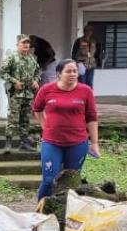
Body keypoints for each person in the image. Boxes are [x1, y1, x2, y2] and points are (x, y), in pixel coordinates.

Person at [32, 59, 101, 201]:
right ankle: (41, 212)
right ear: (58, 74)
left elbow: (92, 117)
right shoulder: (46, 89)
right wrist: (45, 126)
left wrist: (94, 142)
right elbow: (37, 109)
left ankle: (66, 213)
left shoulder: (86, 91)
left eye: (75, 71)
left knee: (71, 182)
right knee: (49, 180)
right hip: (51, 143)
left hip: (77, 143)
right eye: (68, 71)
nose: (72, 74)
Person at [0, 35, 40, 151]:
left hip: (28, 94)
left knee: (25, 119)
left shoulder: (32, 59)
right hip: (16, 94)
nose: (26, 45)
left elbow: (37, 72)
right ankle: (8, 143)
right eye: (23, 43)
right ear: (18, 45)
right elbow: (2, 72)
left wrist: (36, 81)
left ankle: (24, 142)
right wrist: (14, 81)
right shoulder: (12, 58)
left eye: (27, 43)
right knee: (13, 119)